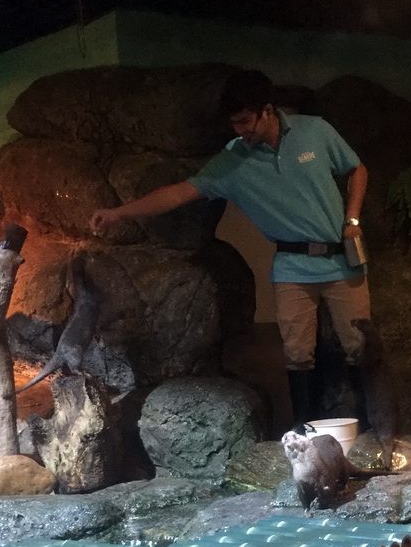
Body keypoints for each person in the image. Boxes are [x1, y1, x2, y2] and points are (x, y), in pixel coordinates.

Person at [89, 68, 371, 426]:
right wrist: (118, 213)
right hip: (292, 266)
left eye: (245, 121)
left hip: (342, 258)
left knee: (359, 345)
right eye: (234, 124)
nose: (240, 130)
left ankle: (370, 427)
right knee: (298, 353)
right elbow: (179, 192)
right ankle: (307, 431)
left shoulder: (315, 130)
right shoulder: (234, 160)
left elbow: (356, 168)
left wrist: (353, 220)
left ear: (267, 110)